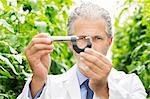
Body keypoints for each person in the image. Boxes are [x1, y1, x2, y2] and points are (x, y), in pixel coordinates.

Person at [17, 2, 147, 99]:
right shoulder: (48, 87)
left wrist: (103, 91)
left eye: (98, 38)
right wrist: (38, 79)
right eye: (82, 38)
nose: (90, 47)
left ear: (109, 42)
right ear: (70, 43)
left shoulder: (131, 84)